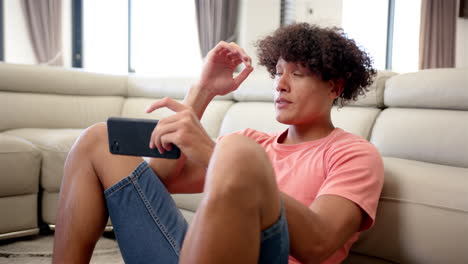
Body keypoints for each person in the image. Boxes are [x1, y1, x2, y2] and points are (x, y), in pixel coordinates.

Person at [52, 23, 384, 264]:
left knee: (239, 153)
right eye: (278, 72)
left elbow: (320, 244)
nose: (280, 85)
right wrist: (203, 89)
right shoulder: (254, 142)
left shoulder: (354, 154)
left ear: (335, 87)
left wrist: (217, 155)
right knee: (97, 139)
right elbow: (160, 180)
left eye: (297, 74)